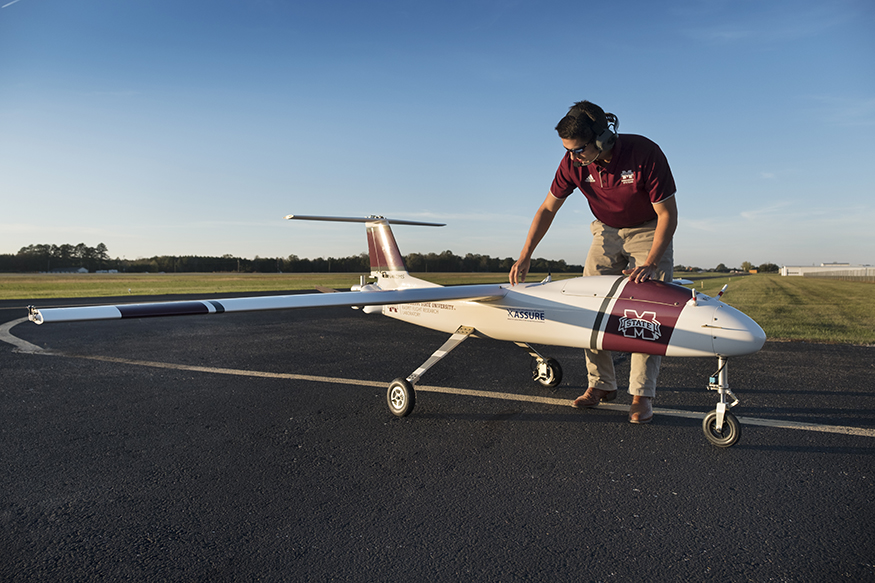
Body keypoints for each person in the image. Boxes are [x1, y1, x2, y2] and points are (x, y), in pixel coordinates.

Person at [509, 100, 678, 424]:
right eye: (567, 150)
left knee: (647, 309)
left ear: (603, 138)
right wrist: (526, 253)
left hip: (648, 229)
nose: (573, 157)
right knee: (588, 304)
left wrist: (652, 263)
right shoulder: (573, 162)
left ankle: (642, 395)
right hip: (605, 232)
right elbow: (547, 208)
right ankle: (601, 384)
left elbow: (667, 214)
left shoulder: (645, 153)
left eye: (579, 149)